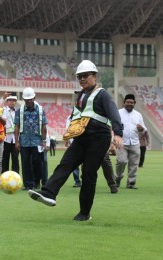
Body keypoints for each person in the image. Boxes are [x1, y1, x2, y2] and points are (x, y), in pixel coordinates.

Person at [28, 60, 123, 221]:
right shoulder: (80, 96)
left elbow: (114, 113)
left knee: (88, 173)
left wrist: (118, 134)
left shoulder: (102, 94)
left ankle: (84, 213)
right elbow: (76, 118)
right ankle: (48, 193)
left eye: (85, 76)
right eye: (79, 77)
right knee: (65, 163)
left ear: (94, 76)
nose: (82, 79)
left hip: (99, 137)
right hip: (81, 137)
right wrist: (69, 135)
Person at [14, 87, 47, 191]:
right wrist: (17, 141)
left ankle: (37, 182)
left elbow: (44, 127)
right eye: (26, 99)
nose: (28, 101)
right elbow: (17, 127)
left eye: (30, 99)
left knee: (37, 163)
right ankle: (28, 184)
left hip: (37, 142)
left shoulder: (40, 110)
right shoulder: (20, 111)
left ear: (34, 98)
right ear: (24, 99)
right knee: (25, 163)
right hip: (24, 142)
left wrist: (44, 141)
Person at [115, 94, 146, 189]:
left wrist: (141, 129)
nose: (129, 104)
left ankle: (131, 183)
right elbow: (113, 126)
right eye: (127, 102)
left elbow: (144, 128)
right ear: (124, 103)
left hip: (135, 143)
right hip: (122, 143)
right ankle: (117, 179)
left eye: (131, 103)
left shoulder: (138, 115)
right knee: (121, 161)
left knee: (134, 164)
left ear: (134, 103)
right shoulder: (118, 113)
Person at [0, 92, 19, 174]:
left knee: (15, 159)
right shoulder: (4, 110)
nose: (12, 102)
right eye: (10, 100)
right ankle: (4, 177)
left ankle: (16, 177)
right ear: (7, 102)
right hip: (6, 139)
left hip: (15, 140)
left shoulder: (18, 112)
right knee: (5, 159)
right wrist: (3, 98)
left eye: (14, 100)